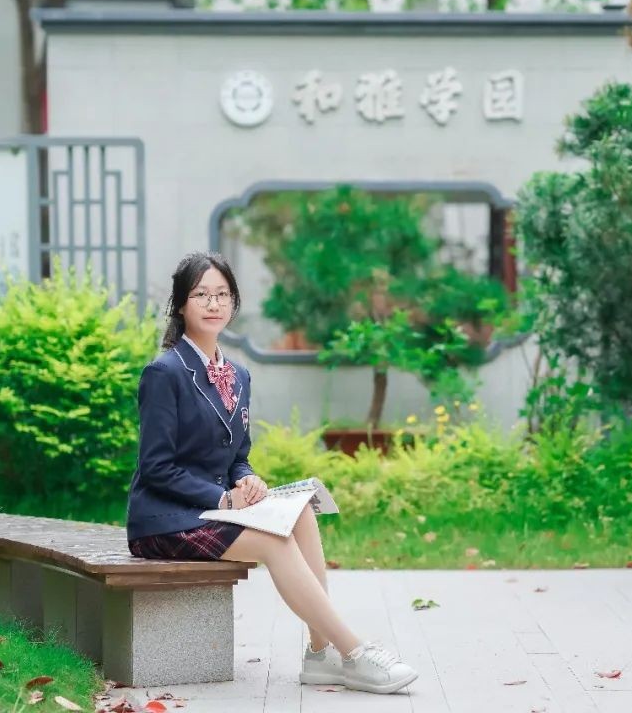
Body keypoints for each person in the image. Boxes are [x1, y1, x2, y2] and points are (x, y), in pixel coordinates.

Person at [127, 251, 418, 693]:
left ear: (234, 302)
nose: (213, 303)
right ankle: (355, 653)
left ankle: (319, 655)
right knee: (274, 542)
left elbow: (237, 454)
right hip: (163, 519)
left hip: (213, 511)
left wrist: (246, 478)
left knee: (300, 511)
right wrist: (224, 499)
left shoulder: (238, 375)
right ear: (181, 305)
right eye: (201, 294)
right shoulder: (164, 373)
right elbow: (155, 469)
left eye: (222, 294)